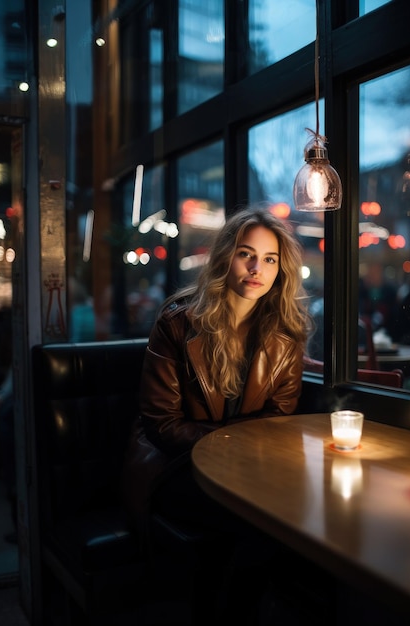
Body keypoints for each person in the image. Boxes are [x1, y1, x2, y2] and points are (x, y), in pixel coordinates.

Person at [122, 208, 312, 621]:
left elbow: (280, 421)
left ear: (281, 269)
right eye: (246, 253)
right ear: (226, 256)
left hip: (248, 472)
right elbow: (162, 425)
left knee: (293, 517)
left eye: (269, 259)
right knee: (259, 524)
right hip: (174, 468)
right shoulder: (178, 322)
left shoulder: (286, 334)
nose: (255, 268)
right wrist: (235, 440)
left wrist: (237, 444)